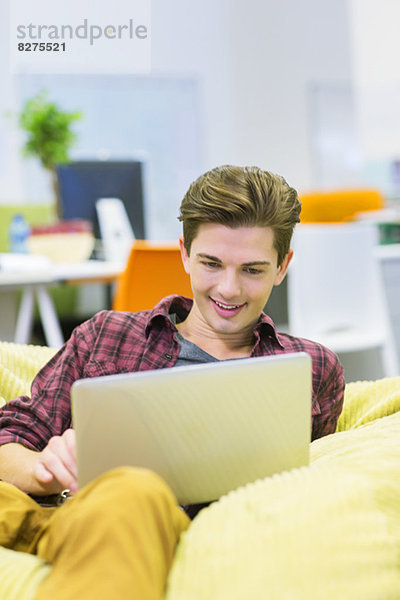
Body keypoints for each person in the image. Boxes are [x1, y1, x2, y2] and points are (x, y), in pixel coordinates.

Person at [0, 165, 345, 599]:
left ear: (282, 266)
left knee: (135, 489)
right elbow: (9, 439)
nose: (229, 288)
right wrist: (44, 469)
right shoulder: (107, 335)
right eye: (211, 263)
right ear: (184, 254)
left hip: (170, 523)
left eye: (253, 270)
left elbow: (317, 489)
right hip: (64, 515)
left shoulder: (310, 368)